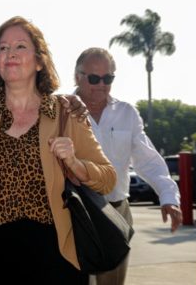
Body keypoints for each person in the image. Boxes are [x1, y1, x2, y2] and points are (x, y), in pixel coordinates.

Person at [0, 16, 117, 284]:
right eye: (3, 47)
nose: (10, 52)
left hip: (57, 256)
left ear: (39, 61)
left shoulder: (67, 113)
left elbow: (107, 178)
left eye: (20, 46)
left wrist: (76, 164)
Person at [72, 47, 182, 285]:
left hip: (116, 210)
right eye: (94, 78)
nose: (101, 84)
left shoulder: (127, 113)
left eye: (108, 78)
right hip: (72, 211)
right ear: (77, 77)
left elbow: (148, 160)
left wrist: (169, 197)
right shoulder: (60, 110)